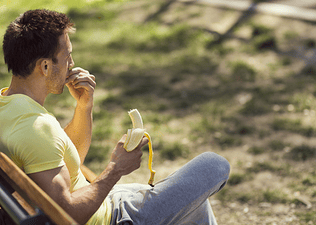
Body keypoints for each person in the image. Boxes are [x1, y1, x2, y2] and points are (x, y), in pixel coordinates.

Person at [0, 9, 230, 225]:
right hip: (117, 217)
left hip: (106, 200)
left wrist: (84, 106)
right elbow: (67, 215)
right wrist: (116, 168)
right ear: (46, 66)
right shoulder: (36, 127)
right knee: (214, 165)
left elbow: (69, 161)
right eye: (67, 56)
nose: (72, 64)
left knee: (195, 205)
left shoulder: (8, 105)